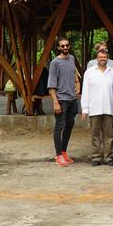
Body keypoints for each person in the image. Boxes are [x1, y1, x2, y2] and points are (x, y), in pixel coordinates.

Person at [48, 37, 80, 167]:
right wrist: (55, 102)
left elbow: (74, 74)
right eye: (62, 46)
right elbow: (51, 85)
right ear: (58, 48)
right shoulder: (55, 63)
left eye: (67, 45)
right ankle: (58, 155)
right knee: (59, 126)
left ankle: (64, 152)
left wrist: (78, 84)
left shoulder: (72, 58)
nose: (65, 47)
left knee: (70, 125)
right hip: (61, 99)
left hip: (72, 99)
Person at [80, 49, 113, 166]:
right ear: (97, 58)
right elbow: (85, 91)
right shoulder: (89, 72)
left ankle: (108, 157)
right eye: (100, 57)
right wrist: (85, 108)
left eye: (104, 57)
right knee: (95, 134)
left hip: (109, 108)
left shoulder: (112, 72)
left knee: (109, 135)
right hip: (94, 108)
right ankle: (96, 157)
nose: (102, 59)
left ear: (107, 58)